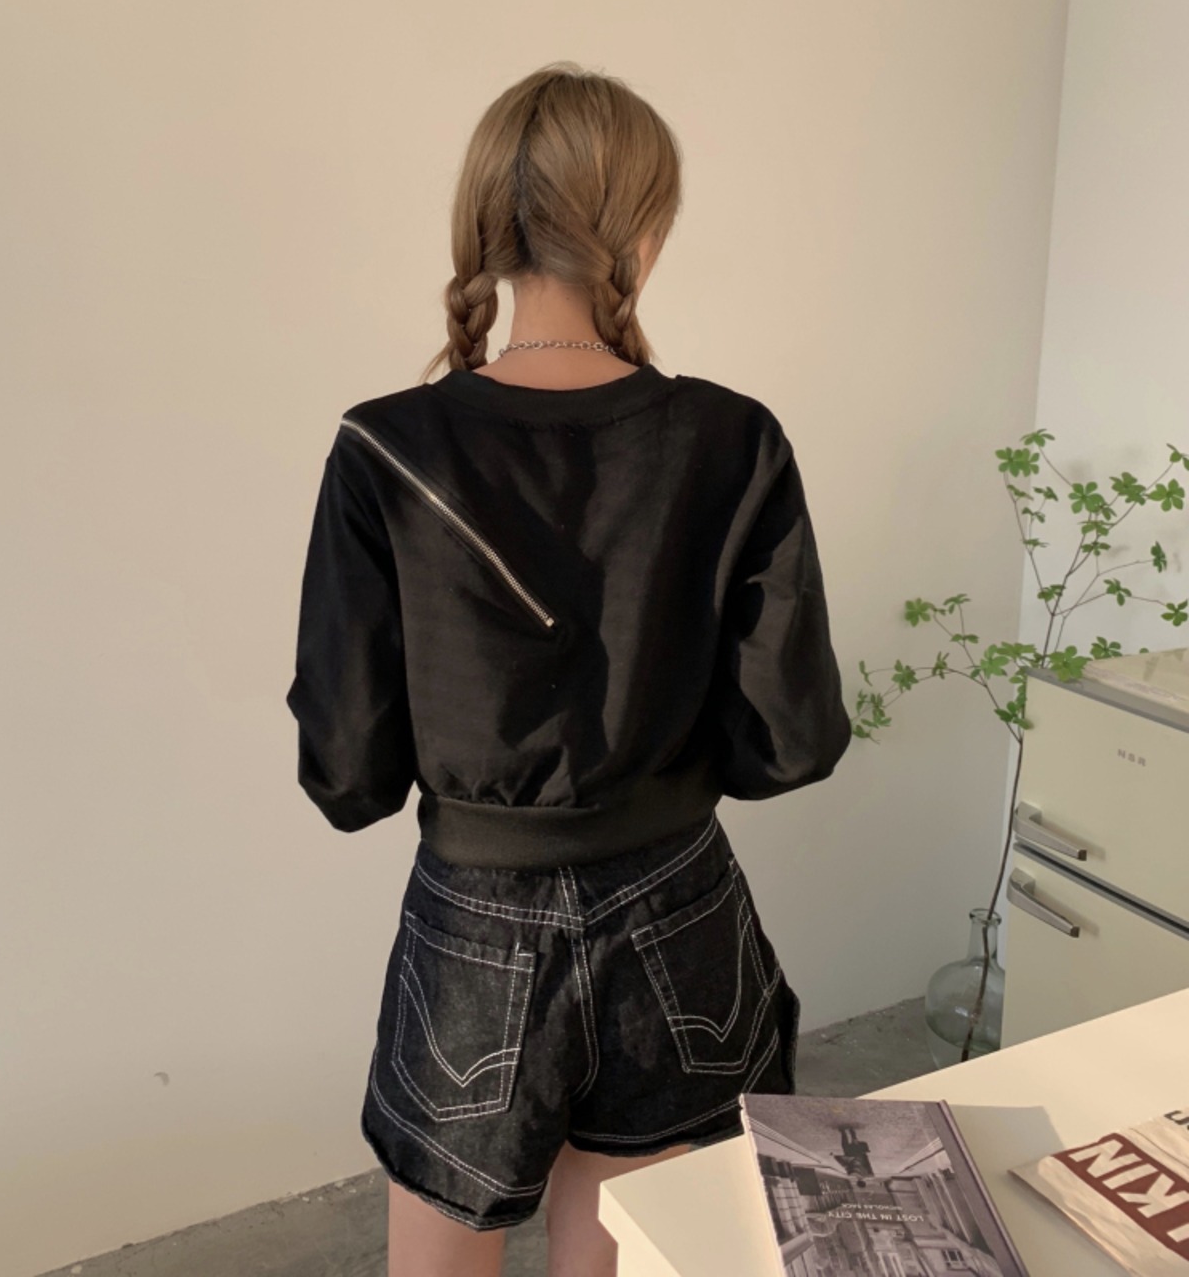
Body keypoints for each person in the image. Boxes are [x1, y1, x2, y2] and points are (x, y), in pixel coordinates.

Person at [285, 61, 852, 1277]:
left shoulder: (385, 446)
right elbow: (791, 740)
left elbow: (346, 768)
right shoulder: (732, 437)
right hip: (679, 908)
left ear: (487, 226)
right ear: (643, 233)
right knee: (624, 1247)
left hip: (474, 922)